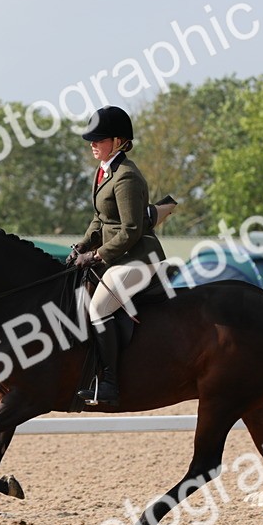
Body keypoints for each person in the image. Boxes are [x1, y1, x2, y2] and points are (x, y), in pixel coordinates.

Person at [68, 105, 166, 405]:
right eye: (92, 139)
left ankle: (109, 382)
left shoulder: (127, 177)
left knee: (98, 308)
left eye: (99, 139)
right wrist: (82, 246)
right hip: (118, 256)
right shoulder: (103, 172)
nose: (92, 144)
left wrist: (96, 255)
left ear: (119, 141)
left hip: (138, 258)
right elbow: (100, 220)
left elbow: (131, 230)